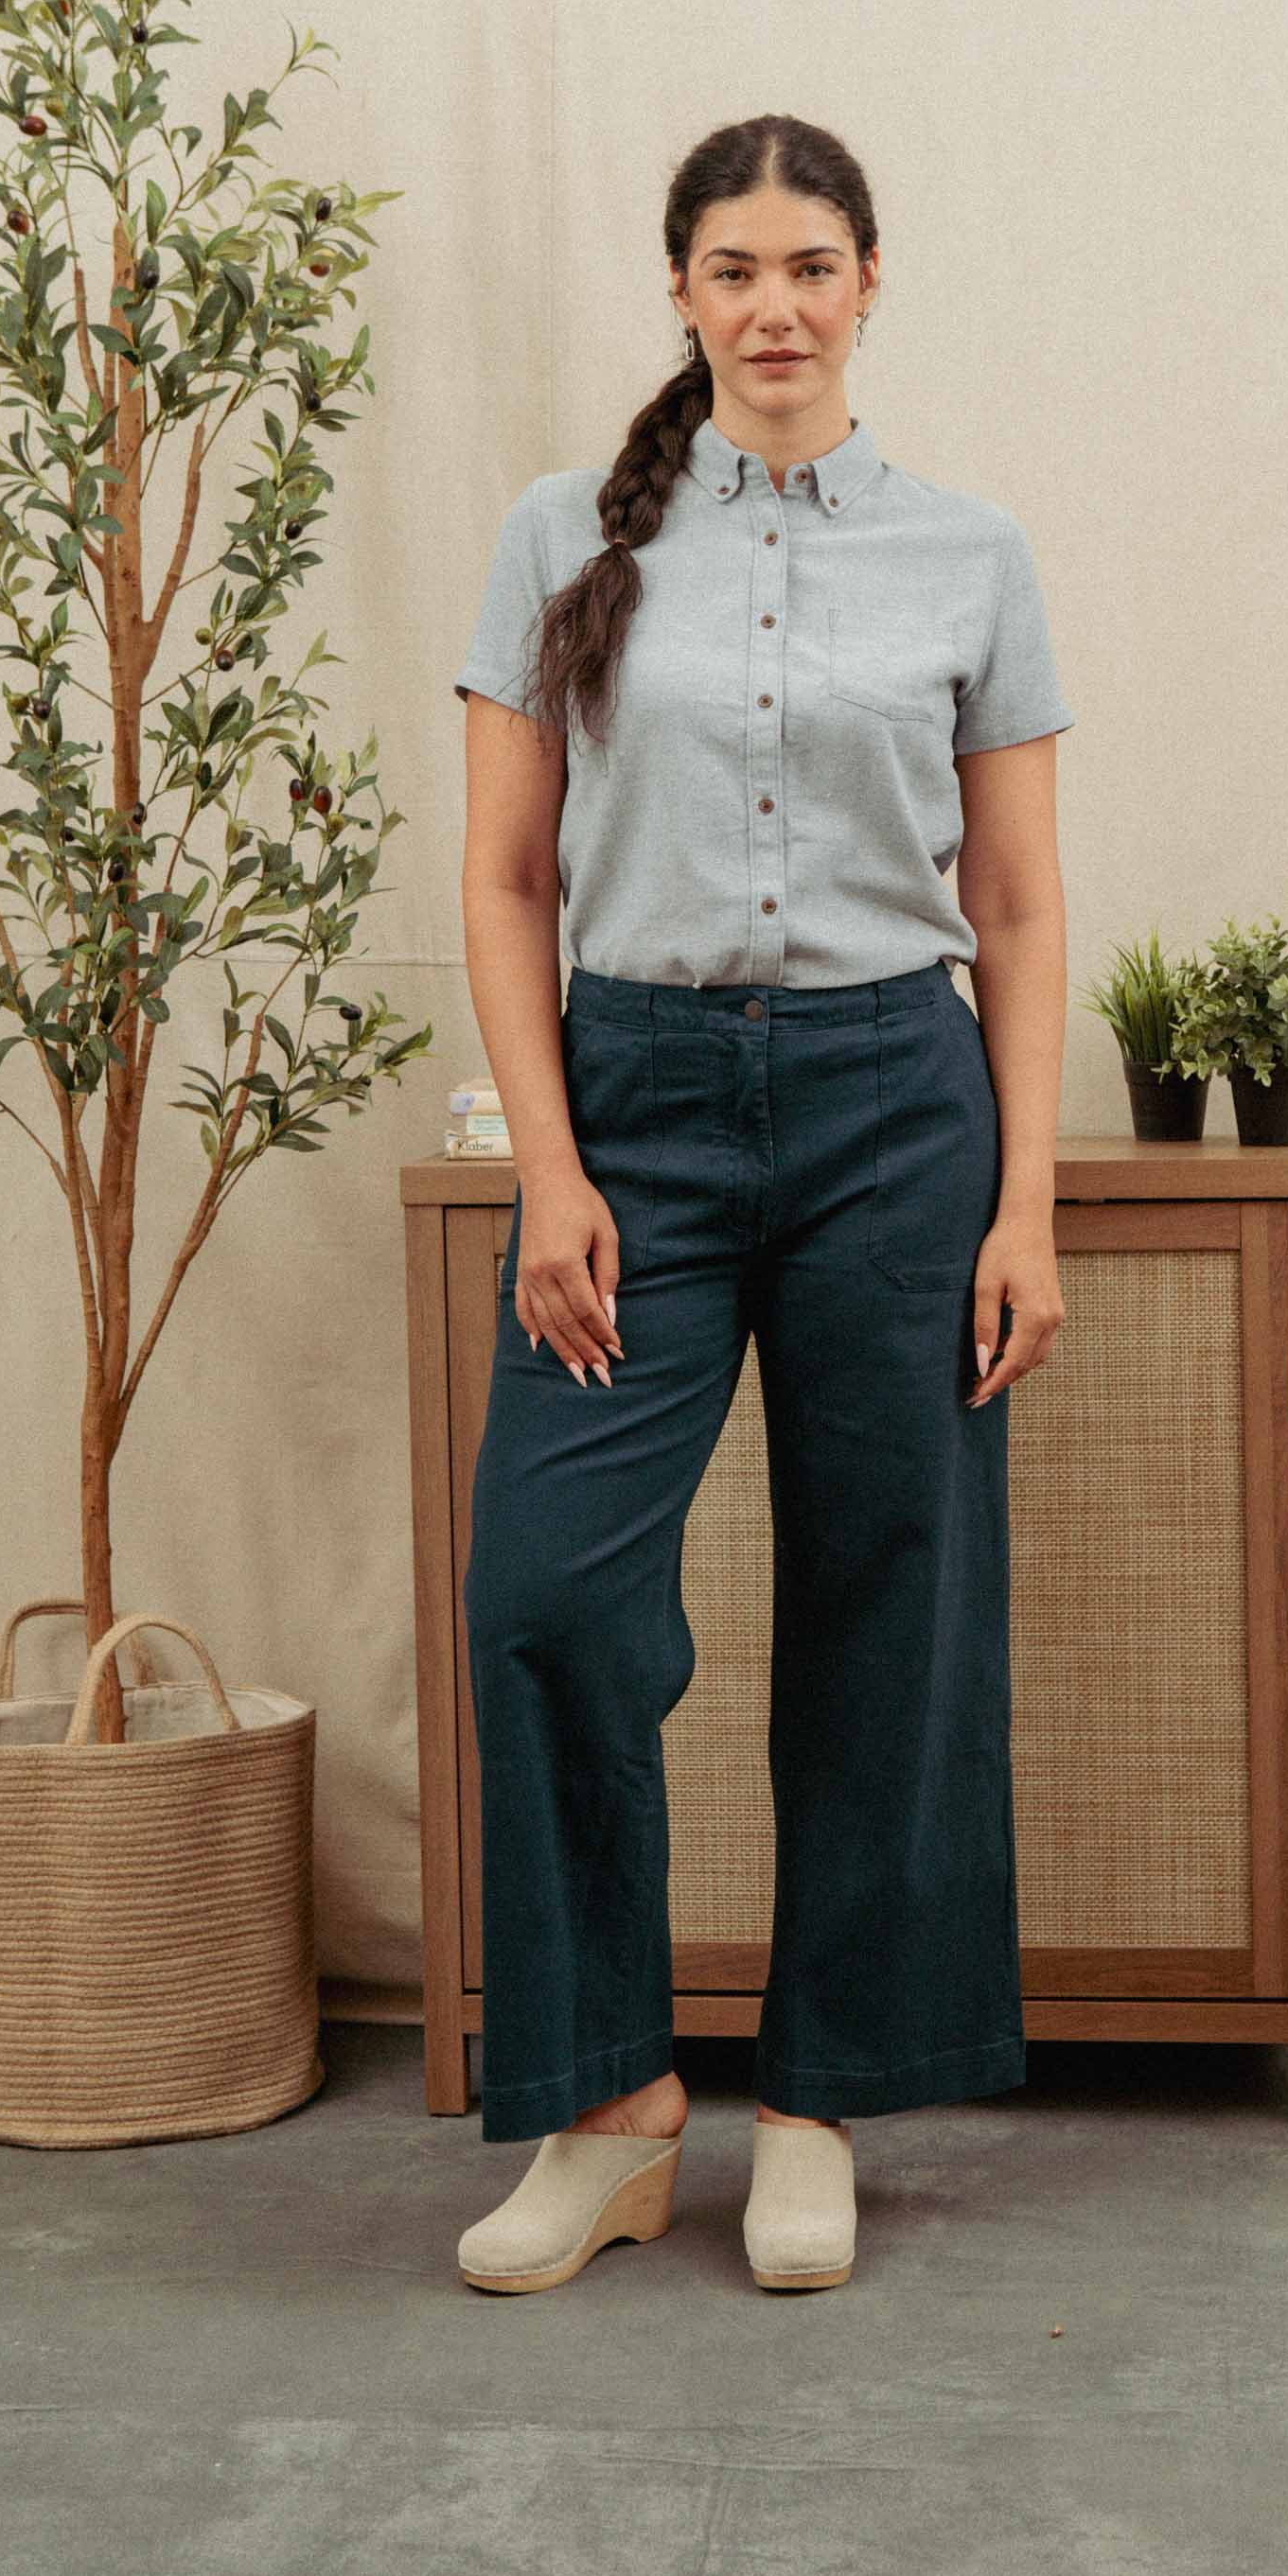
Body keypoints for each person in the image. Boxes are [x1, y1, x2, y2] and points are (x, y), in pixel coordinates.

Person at [450, 114, 1073, 2295]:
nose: (774, 304)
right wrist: (550, 1168)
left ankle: (816, 2101)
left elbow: (1017, 902)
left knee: (894, 1599)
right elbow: (505, 879)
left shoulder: (970, 553)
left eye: (810, 264)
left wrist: (1025, 1203)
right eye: (734, 268)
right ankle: (610, 2109)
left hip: (897, 1107)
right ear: (683, 293)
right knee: (543, 1591)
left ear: (868, 280)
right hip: (630, 1101)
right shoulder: (560, 534)